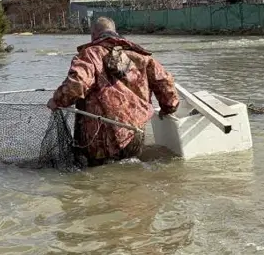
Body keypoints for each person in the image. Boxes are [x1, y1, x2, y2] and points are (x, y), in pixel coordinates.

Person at [47, 17, 180, 167]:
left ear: (93, 34)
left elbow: (76, 84)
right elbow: (165, 81)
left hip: (100, 137)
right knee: (132, 177)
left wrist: (57, 101)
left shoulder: (91, 54)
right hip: (134, 133)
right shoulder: (141, 56)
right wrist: (168, 108)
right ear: (115, 32)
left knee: (99, 181)